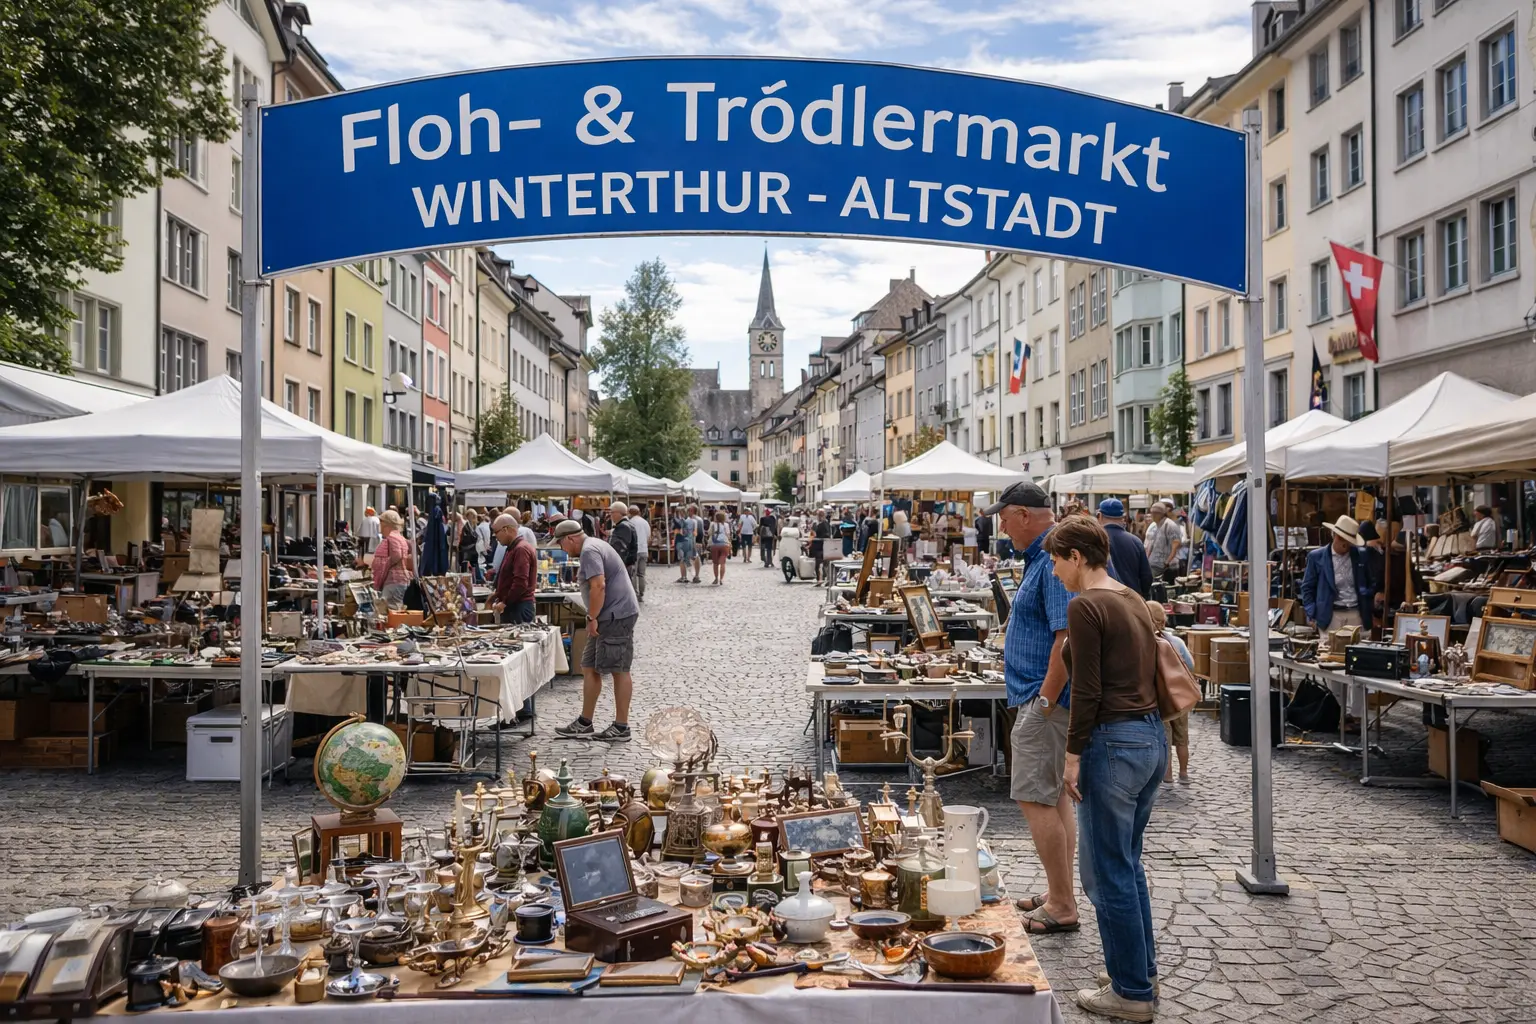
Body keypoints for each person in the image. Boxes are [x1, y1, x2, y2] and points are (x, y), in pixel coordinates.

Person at [1043, 516, 1164, 1021]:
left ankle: (1132, 993)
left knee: (1107, 872)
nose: (1053, 571)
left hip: (1112, 743)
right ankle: (1138, 969)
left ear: (1076, 557)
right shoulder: (1131, 598)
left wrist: (1072, 759)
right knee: (1128, 864)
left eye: (1056, 560)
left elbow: (1087, 691)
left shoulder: (1087, 605)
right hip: (1149, 735)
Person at [982, 481, 1080, 937]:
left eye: (1004, 515)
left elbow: (1065, 638)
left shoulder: (1053, 558)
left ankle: (1061, 904)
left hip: (1045, 701)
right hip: (1042, 697)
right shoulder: (1041, 557)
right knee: (1054, 795)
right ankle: (1059, 891)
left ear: (1024, 514)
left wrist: (1044, 700)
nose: (1000, 524)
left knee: (1032, 795)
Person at [553, 519, 640, 742]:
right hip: (608, 615)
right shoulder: (592, 545)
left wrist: (592, 617)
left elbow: (599, 585)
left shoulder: (589, 550)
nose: (561, 549)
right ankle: (585, 722)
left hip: (615, 615)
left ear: (570, 538)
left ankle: (621, 726)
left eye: (561, 544)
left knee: (618, 668)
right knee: (589, 666)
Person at [1301, 514, 1376, 718]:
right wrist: (1313, 612)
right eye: (1343, 540)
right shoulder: (1317, 557)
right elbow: (1307, 588)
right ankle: (1338, 714)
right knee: (1334, 666)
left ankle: (1357, 715)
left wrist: (1367, 596)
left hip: (1356, 614)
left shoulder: (1360, 556)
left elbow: (1371, 581)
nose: (1346, 545)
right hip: (1330, 615)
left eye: (1349, 541)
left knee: (1359, 665)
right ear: (1334, 536)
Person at [1146, 600, 1194, 785]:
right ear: (1164, 621)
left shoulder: (1148, 643)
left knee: (1164, 738)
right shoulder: (1176, 641)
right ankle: (1184, 773)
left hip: (1160, 699)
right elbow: (1191, 665)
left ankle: (1168, 775)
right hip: (1180, 698)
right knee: (1182, 738)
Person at [1098, 499, 1153, 599]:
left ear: (1100, 516)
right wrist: (1143, 597)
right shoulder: (1135, 542)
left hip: (1105, 601)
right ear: (1123, 517)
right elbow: (1147, 576)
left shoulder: (1095, 540)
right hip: (1132, 600)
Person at [372, 509, 414, 608]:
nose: (380, 526)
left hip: (394, 579)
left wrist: (385, 564)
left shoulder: (392, 537)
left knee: (389, 610)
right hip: (400, 580)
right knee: (394, 608)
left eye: (381, 523)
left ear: (386, 524)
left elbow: (397, 555)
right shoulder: (400, 537)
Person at [1142, 501, 1183, 585]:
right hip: (1153, 564)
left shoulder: (1170, 525)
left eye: (1156, 513)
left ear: (1162, 513)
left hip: (1165, 567)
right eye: (1152, 513)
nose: (1153, 515)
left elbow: (1175, 545)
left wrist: (1167, 562)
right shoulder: (1154, 525)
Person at [628, 504, 650, 603]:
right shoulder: (645, 522)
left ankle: (635, 594)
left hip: (635, 551)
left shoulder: (630, 523)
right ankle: (641, 593)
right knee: (641, 574)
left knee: (633, 573)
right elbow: (648, 537)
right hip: (644, 550)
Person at [675, 505, 701, 583]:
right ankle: (696, 576)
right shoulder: (694, 521)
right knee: (695, 557)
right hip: (691, 541)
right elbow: (695, 533)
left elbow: (678, 533)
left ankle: (684, 577)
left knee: (683, 560)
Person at [706, 510, 732, 585]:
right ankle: (721, 579)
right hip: (724, 544)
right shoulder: (726, 525)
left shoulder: (712, 524)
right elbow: (728, 534)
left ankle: (716, 578)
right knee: (723, 563)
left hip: (715, 544)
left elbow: (709, 533)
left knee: (715, 563)